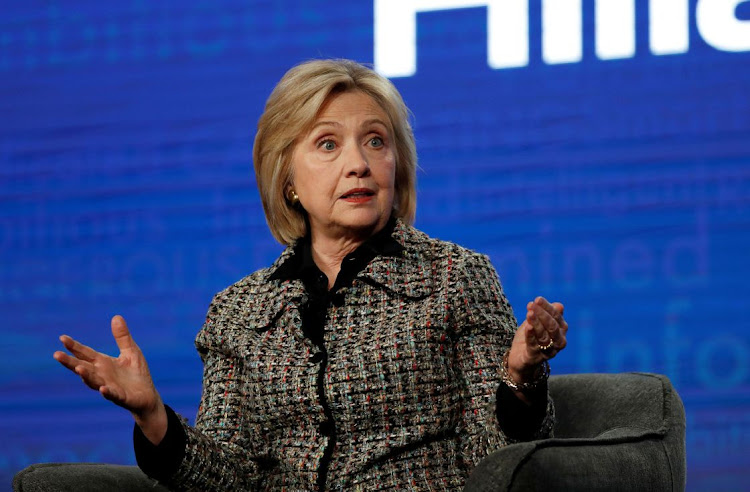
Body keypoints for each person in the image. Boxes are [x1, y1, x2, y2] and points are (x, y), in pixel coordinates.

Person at [54, 59, 569, 490]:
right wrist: (154, 418)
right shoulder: (238, 310)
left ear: (398, 165)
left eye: (375, 141)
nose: (359, 164)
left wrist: (520, 376)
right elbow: (229, 476)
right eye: (328, 144)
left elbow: (500, 458)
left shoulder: (457, 277)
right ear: (288, 180)